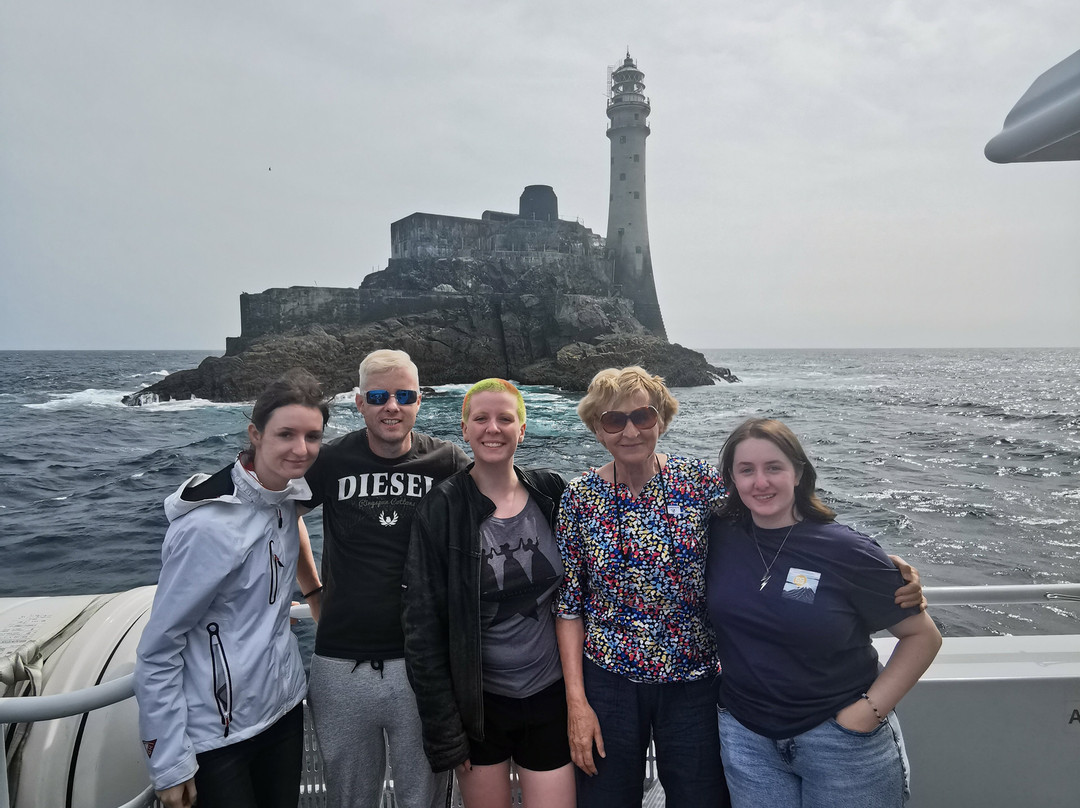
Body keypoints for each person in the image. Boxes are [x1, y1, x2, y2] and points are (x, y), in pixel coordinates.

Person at [555, 367, 923, 808]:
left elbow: (773, 516)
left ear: (661, 420)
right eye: (614, 420)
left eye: (643, 416)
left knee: (701, 798)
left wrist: (879, 562)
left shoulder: (698, 482)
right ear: (597, 428)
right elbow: (569, 605)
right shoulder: (579, 498)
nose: (630, 431)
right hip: (608, 678)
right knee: (606, 798)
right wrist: (576, 702)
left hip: (694, 679)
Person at [706, 418, 942, 808]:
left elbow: (923, 637)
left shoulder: (847, 550)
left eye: (774, 467)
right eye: (746, 470)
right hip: (747, 738)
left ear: (798, 473)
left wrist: (865, 714)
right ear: (731, 478)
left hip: (840, 741)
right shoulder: (716, 534)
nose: (760, 482)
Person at [134, 369, 331, 808]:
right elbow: (158, 648)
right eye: (286, 434)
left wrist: (313, 591)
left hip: (282, 712)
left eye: (313, 436)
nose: (301, 449)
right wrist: (168, 761)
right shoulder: (208, 527)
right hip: (219, 735)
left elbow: (290, 524)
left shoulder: (284, 498)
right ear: (255, 434)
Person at [296, 349, 470, 808]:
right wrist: (312, 591)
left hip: (422, 665)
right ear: (359, 403)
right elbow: (282, 515)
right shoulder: (331, 460)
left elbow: (495, 509)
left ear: (419, 401)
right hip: (340, 664)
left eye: (404, 396)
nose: (391, 406)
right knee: (350, 799)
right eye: (377, 396)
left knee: (423, 799)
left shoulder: (447, 461)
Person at [403, 378, 575, 808]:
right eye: (480, 418)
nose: (493, 428)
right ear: (464, 429)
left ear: (522, 429)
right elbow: (422, 627)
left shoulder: (551, 492)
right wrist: (446, 732)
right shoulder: (442, 508)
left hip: (550, 696)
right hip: (479, 708)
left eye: (505, 418)